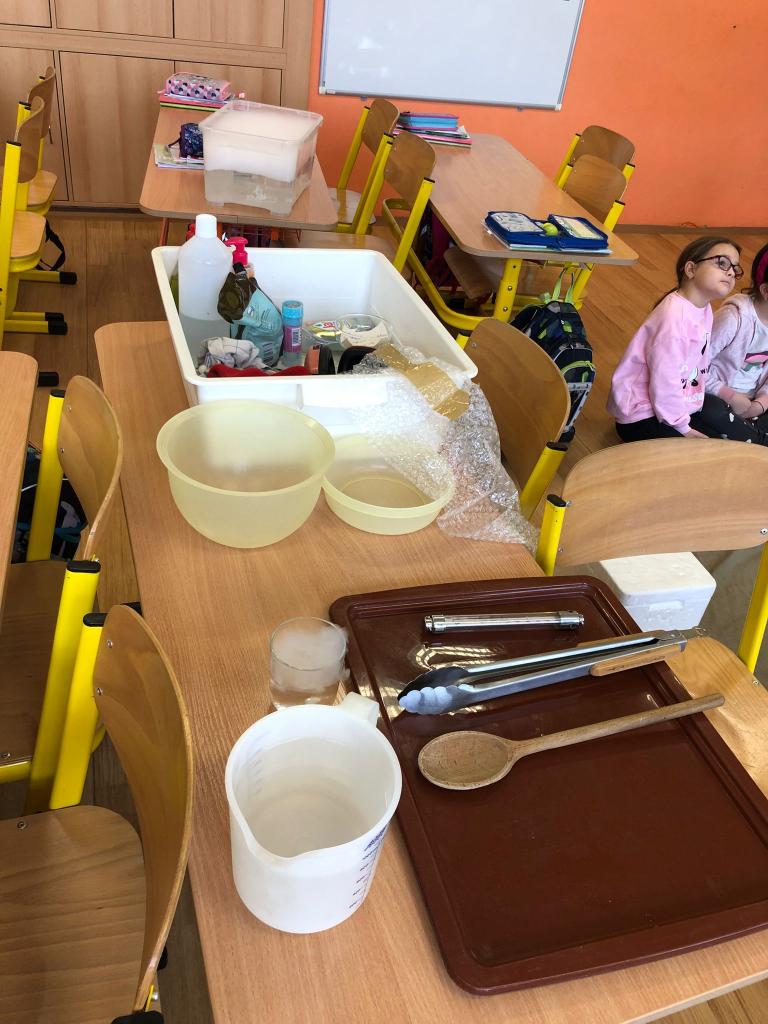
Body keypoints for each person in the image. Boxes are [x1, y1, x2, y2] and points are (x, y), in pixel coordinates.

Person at [607, 236, 768, 444]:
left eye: (735, 269)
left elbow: (696, 369)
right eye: (722, 263)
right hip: (644, 417)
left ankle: (755, 438)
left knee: (719, 423)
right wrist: (683, 427)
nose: (730, 272)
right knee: (712, 447)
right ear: (691, 269)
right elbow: (664, 381)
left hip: (679, 407)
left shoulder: (703, 309)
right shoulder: (674, 317)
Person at [706, 242, 768, 424]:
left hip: (754, 400)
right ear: (765, 290)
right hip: (717, 396)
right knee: (713, 413)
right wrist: (730, 396)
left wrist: (761, 403)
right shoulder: (733, 318)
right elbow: (693, 367)